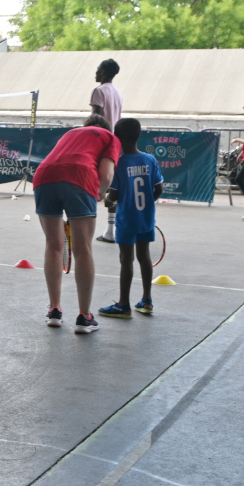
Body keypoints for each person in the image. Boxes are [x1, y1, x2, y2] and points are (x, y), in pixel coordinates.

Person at [34, 114, 120, 333]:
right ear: (106, 128)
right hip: (80, 178)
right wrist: (100, 193)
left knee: (53, 246)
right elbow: (107, 174)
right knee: (83, 249)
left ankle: (54, 310)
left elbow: (60, 159)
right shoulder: (110, 137)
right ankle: (84, 316)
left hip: (44, 176)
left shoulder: (71, 133)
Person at [97, 118, 163, 318]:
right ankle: (147, 300)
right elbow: (158, 189)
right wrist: (148, 205)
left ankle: (123, 304)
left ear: (117, 138)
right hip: (146, 218)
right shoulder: (150, 160)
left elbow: (113, 195)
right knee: (144, 257)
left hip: (126, 219)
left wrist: (108, 200)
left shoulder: (121, 163)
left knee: (126, 259)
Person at [90, 58, 123, 243]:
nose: (95, 72)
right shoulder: (117, 92)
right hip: (115, 144)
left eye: (97, 68)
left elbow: (95, 120)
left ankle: (84, 223)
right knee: (113, 187)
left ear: (103, 71)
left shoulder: (99, 91)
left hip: (101, 143)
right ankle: (111, 230)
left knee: (93, 185)